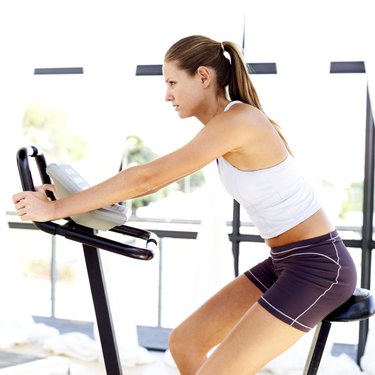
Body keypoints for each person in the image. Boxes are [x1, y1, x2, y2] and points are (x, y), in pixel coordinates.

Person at [13, 35, 357, 375]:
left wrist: (56, 211)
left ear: (203, 77)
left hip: (319, 267)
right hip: (283, 262)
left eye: (173, 82)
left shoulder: (240, 121)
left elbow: (147, 178)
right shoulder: (224, 124)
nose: (167, 95)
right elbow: (144, 177)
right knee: (185, 343)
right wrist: (67, 199)